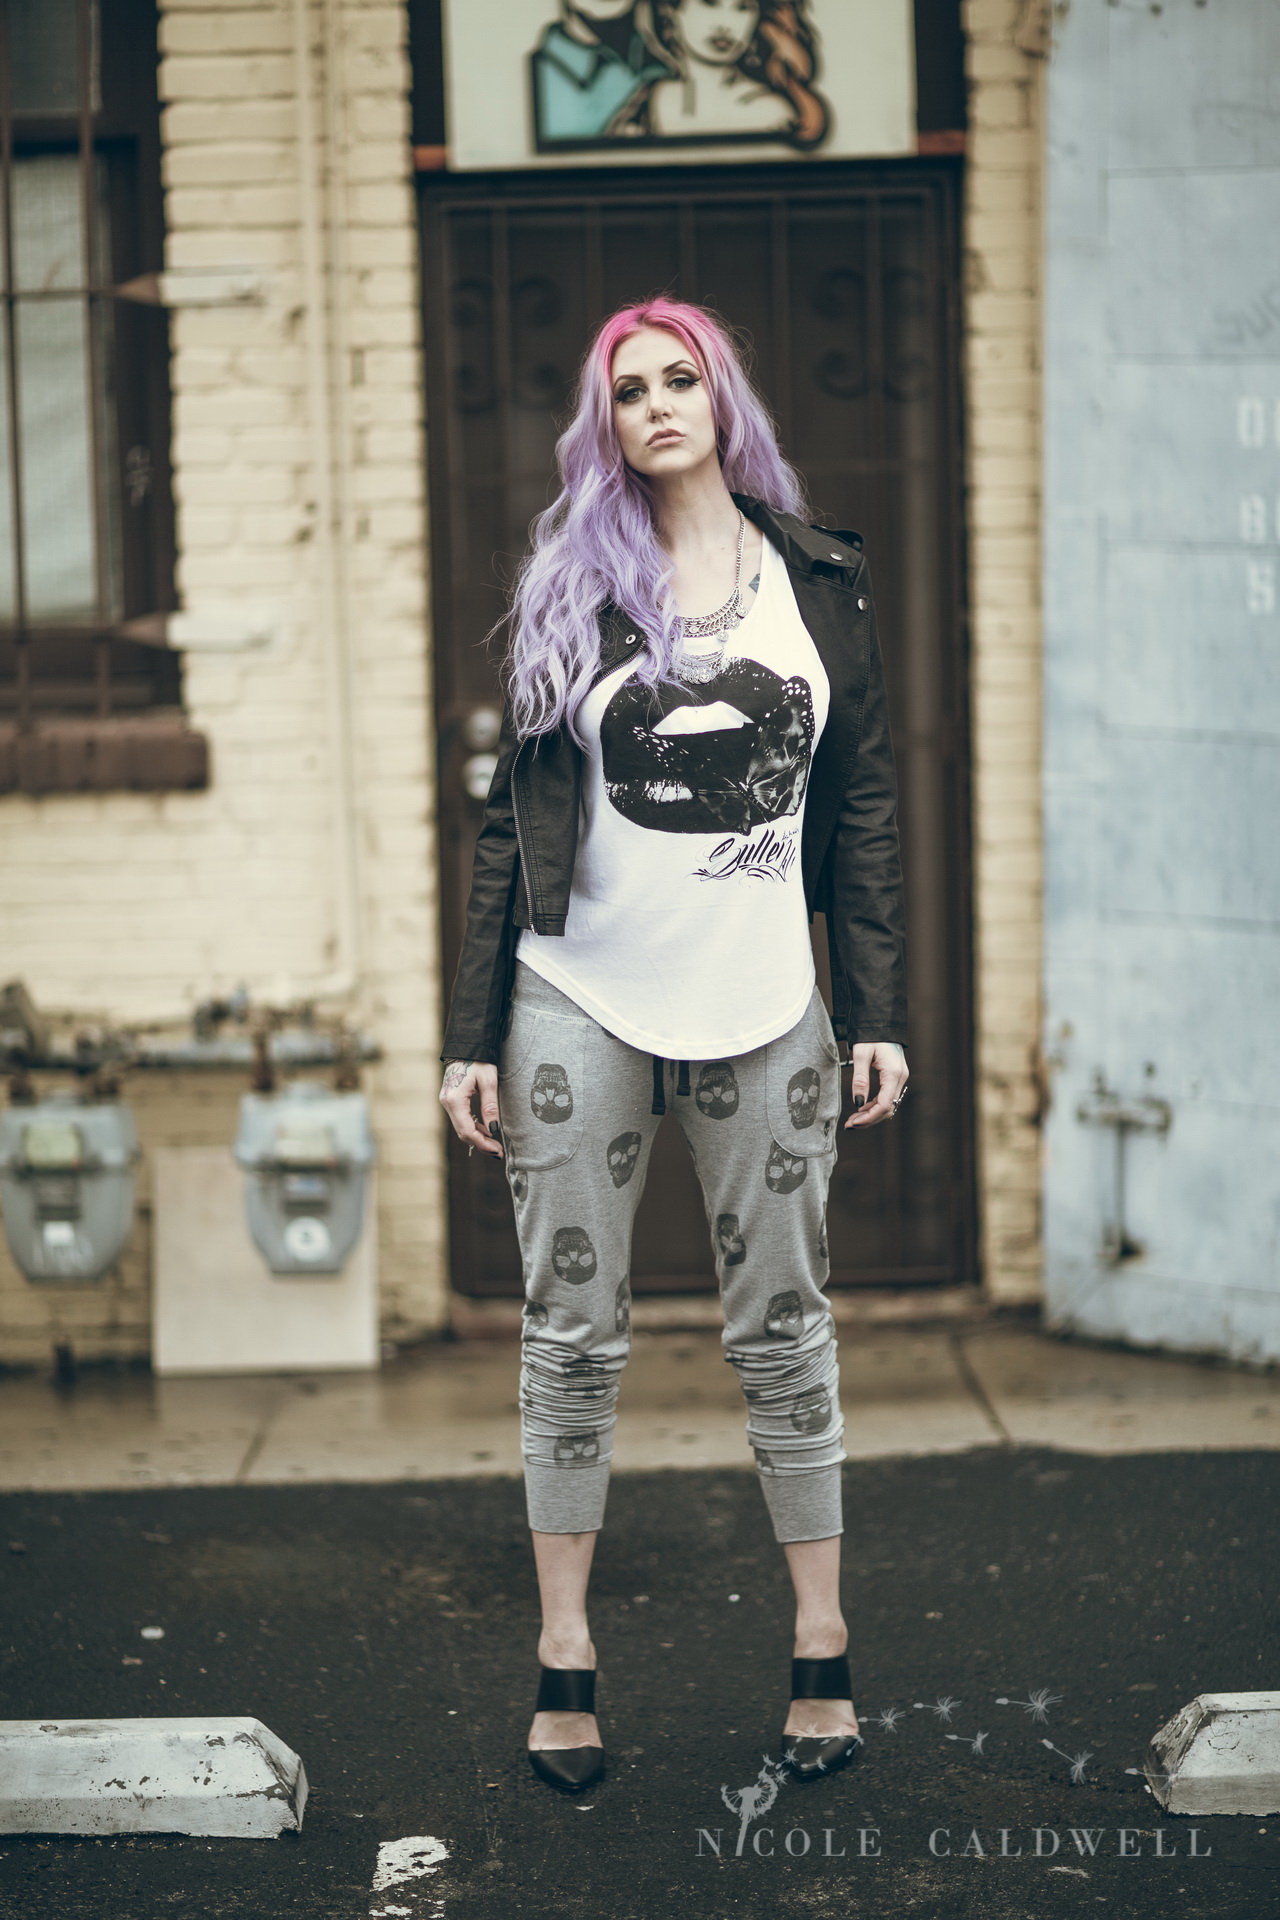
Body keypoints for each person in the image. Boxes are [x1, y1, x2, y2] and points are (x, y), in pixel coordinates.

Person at [439, 298, 908, 1794]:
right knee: (571, 1334)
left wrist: (875, 1007)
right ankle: (564, 1652)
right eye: (627, 389)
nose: (656, 404)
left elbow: (867, 797)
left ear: (720, 400)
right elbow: (507, 826)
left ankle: (822, 1642)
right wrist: (470, 1034)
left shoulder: (819, 577)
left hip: (768, 1006)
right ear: (607, 424)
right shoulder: (574, 588)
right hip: (577, 1002)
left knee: (785, 1325)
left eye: (678, 378)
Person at [647, 0, 828, 147]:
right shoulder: (658, 96)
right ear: (670, 11)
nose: (724, 25)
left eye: (743, 8)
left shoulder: (769, 110)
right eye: (709, 3)